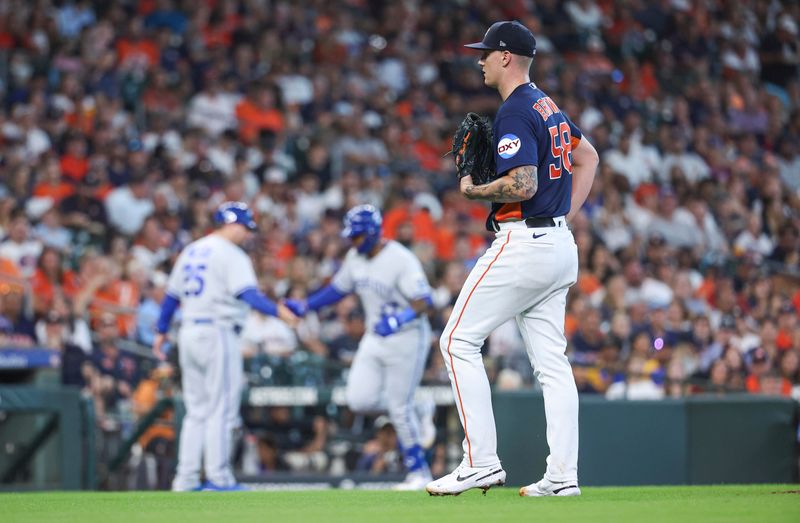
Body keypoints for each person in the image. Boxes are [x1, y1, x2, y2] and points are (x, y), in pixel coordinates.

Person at [425, 21, 598, 497]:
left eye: (484, 53)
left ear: (505, 57)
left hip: (526, 244)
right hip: (558, 246)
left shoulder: (517, 110)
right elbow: (590, 158)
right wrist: (561, 215)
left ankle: (480, 461)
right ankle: (563, 477)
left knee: (457, 341)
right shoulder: (547, 104)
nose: (478, 60)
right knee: (552, 366)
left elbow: (522, 185)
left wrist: (472, 189)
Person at [284, 204, 435, 490]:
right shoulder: (355, 257)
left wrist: (399, 319)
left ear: (373, 233)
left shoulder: (401, 259)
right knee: (358, 400)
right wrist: (307, 305)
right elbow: (337, 290)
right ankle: (418, 405)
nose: (352, 242)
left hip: (407, 336)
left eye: (356, 236)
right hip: (375, 337)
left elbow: (424, 301)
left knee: (398, 409)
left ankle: (419, 472)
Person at [152, 201, 298, 492]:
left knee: (197, 410)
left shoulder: (192, 249)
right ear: (231, 223)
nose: (246, 233)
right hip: (217, 331)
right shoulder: (231, 254)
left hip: (189, 332)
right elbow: (247, 294)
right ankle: (219, 477)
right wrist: (278, 311)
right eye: (244, 227)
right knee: (220, 408)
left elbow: (170, 297)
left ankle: (186, 479)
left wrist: (160, 331)